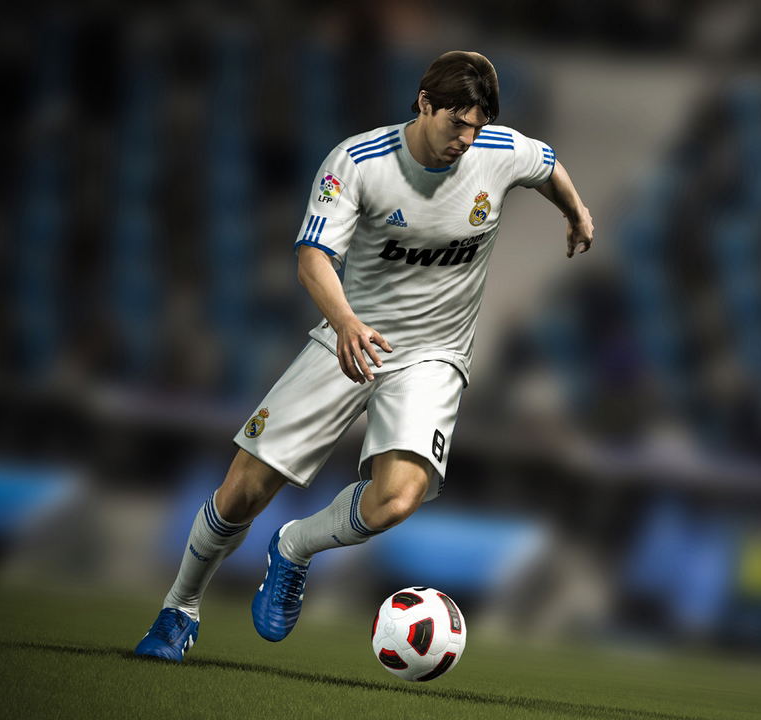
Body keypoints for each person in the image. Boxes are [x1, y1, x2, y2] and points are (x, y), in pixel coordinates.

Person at [134, 50, 594, 661]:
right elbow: (312, 258)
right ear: (424, 103)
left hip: (434, 354)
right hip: (351, 334)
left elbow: (548, 165)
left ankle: (294, 547)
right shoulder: (358, 162)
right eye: (456, 122)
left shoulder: (499, 150)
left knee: (397, 499)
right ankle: (179, 609)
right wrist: (346, 321)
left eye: (476, 127)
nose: (465, 139)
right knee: (244, 489)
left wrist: (575, 211)